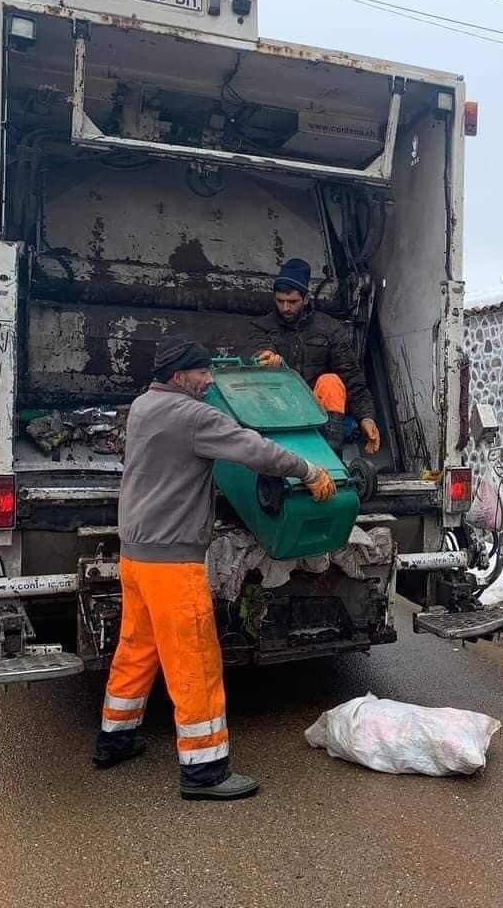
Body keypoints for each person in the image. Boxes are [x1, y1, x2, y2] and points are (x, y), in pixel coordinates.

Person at [93, 335, 337, 801]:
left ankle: (114, 739)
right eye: (203, 373)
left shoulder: (144, 404)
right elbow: (254, 450)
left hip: (137, 555)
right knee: (195, 662)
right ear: (181, 376)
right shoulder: (193, 416)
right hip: (172, 562)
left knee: (136, 649)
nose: (210, 380)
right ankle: (204, 771)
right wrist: (308, 471)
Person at [249, 258, 382, 455]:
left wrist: (367, 418)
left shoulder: (329, 328)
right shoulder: (261, 327)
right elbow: (257, 352)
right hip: (277, 406)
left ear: (305, 298)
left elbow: (351, 376)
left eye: (292, 302)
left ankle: (330, 456)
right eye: (280, 301)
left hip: (317, 412)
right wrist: (264, 360)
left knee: (331, 382)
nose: (285, 308)